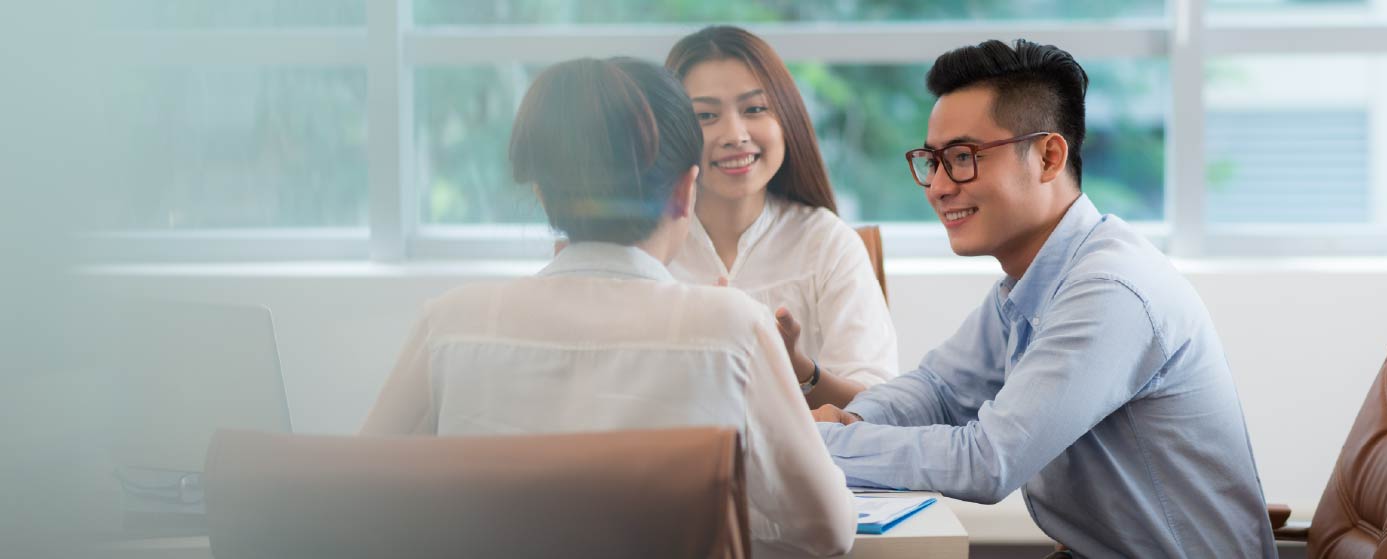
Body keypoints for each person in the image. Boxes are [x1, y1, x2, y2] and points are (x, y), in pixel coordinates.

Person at [360, 57, 854, 557]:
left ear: (542, 194)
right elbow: (827, 531)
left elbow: (360, 501)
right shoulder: (733, 326)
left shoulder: (449, 323)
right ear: (686, 190)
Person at [811, 39, 1277, 558]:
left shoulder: (1109, 291)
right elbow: (939, 389)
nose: (938, 186)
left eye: (963, 158)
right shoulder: (1029, 283)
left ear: (1049, 156)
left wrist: (807, 445)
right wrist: (853, 421)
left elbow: (987, 462)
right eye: (932, 161)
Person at [665, 26, 897, 409]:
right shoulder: (646, 245)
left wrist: (798, 368)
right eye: (705, 115)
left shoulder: (828, 243)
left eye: (755, 109)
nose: (735, 134)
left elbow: (882, 406)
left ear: (786, 118)